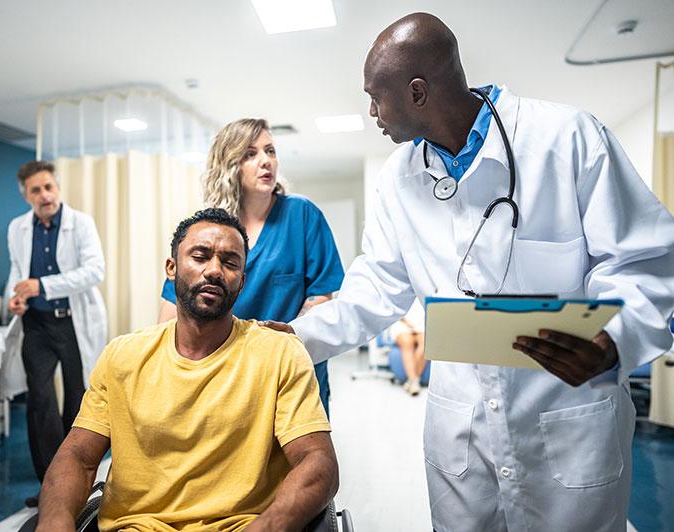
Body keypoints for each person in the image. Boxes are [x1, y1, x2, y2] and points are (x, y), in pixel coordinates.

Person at [263, 13, 674, 532]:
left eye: (376, 96)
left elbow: (647, 266)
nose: (371, 111)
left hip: (568, 420)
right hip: (462, 432)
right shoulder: (398, 180)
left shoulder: (566, 138)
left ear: (418, 93)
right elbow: (375, 290)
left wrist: (613, 340)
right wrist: (294, 338)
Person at [35, 208, 338, 531]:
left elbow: (317, 462)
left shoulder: (279, 353)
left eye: (230, 262)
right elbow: (79, 456)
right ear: (171, 267)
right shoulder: (123, 356)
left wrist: (267, 527)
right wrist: (55, 521)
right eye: (200, 256)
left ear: (242, 281)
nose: (215, 271)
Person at [158, 118, 344, 416]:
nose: (266, 161)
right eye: (251, 154)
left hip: (289, 370)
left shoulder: (302, 215)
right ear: (230, 164)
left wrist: (275, 347)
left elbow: (320, 299)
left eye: (270, 151)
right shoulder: (208, 229)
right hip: (225, 372)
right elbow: (172, 311)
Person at [5, 160, 107, 507]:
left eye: (49, 186)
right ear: (26, 196)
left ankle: (76, 479)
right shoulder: (18, 228)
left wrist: (42, 285)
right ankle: (50, 484)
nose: (45, 195)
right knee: (41, 400)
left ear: (57, 188)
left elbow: (95, 270)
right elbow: (17, 272)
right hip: (36, 325)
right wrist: (15, 298)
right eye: (36, 190)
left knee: (79, 400)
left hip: (72, 321)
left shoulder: (80, 223)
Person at [389, 299, 426, 396]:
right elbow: (393, 307)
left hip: (422, 322)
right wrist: (407, 323)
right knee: (407, 343)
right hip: (402, 322)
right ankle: (414, 382)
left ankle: (412, 380)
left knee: (425, 343)